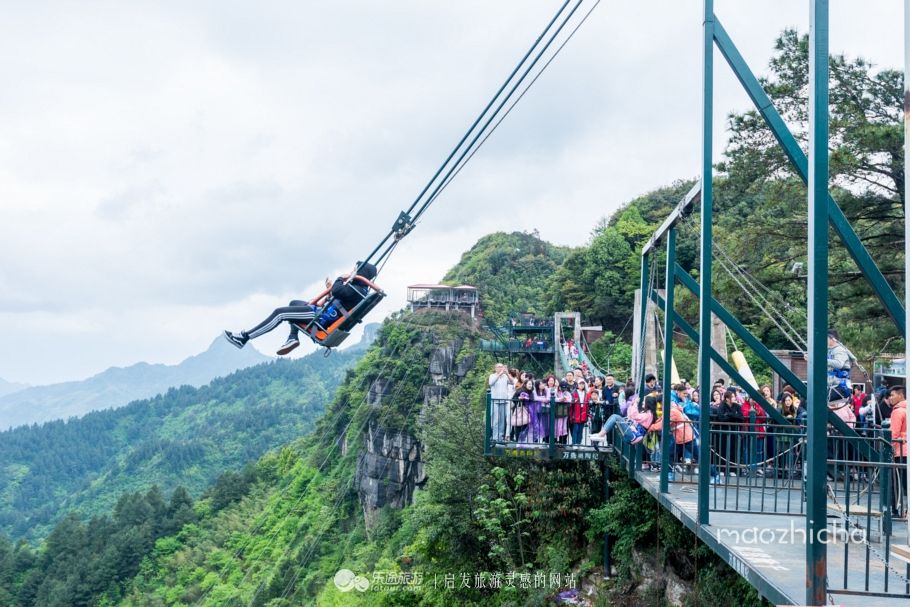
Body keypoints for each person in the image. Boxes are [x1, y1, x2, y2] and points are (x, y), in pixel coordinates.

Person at [224, 262, 379, 355]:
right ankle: (293, 337)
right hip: (324, 314)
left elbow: (339, 291)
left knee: (280, 313)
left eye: (355, 269)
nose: (352, 271)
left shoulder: (356, 289)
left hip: (319, 318)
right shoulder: (357, 290)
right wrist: (331, 289)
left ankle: (244, 337)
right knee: (294, 303)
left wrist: (341, 279)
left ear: (360, 272)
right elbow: (339, 296)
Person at [890, 386, 907, 517]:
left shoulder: (897, 411)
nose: (890, 398)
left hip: (900, 451)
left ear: (900, 395)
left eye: (892, 395)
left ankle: (896, 510)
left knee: (896, 483)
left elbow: (894, 434)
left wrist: (888, 448)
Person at [488, 363, 514, 441]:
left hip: (504, 401)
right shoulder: (492, 376)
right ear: (495, 368)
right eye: (499, 367)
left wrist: (507, 373)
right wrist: (499, 375)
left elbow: (512, 382)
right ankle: (495, 437)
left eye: (502, 367)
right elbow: (491, 383)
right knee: (496, 420)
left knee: (502, 421)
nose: (501, 368)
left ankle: (500, 437)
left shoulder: (505, 376)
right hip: (495, 400)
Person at [827, 329, 853, 401]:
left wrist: (821, 360)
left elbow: (839, 364)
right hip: (832, 385)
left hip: (840, 387)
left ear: (833, 339)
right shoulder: (829, 351)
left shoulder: (839, 350)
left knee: (818, 398)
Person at [569, 378, 591, 445]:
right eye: (580, 384)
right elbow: (570, 404)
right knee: (575, 429)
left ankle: (579, 443)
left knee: (581, 430)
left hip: (583, 413)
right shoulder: (573, 393)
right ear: (577, 385)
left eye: (583, 384)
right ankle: (574, 443)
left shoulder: (586, 393)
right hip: (576, 413)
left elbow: (587, 405)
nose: (581, 385)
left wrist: (587, 414)